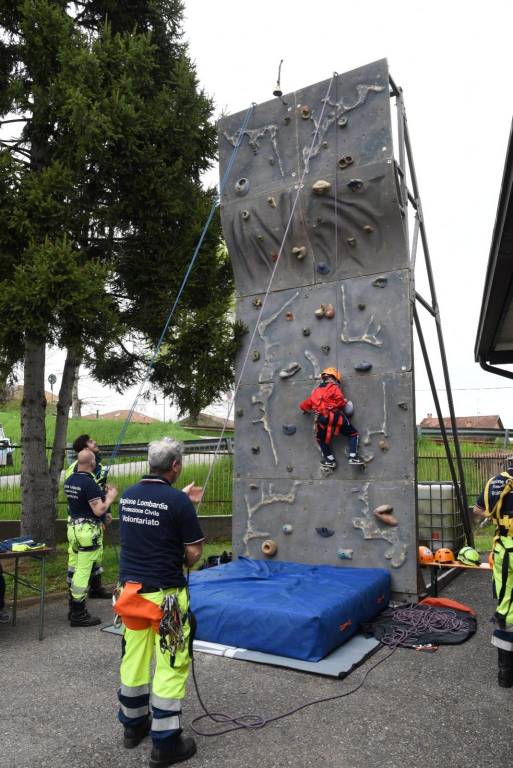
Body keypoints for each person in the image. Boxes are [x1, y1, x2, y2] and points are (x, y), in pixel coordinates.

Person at [114, 438, 204, 767]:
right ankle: (165, 743)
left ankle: (133, 727)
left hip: (130, 594)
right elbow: (193, 552)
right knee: (171, 663)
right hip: (165, 598)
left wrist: (182, 501)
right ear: (176, 465)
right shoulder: (178, 504)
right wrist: (186, 506)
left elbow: (151, 523)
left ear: (150, 463)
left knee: (134, 659)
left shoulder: (128, 496)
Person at [64, 448, 118, 627]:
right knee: (83, 570)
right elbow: (98, 509)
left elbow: (80, 505)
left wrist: (102, 515)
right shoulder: (89, 483)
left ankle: (72, 606)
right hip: (87, 531)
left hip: (73, 529)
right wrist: (109, 498)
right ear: (92, 463)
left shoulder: (70, 479)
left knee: (73, 567)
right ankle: (79, 613)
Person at [473, 456, 513, 687]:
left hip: (505, 552)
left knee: (505, 603)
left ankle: (505, 675)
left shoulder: (495, 482)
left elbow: (479, 510)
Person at [65, 434, 111, 599]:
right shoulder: (77, 470)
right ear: (85, 449)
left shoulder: (98, 466)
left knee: (96, 555)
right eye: (91, 441)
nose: (95, 442)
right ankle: (75, 596)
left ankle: (95, 588)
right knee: (78, 561)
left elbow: (100, 491)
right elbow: (84, 493)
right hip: (82, 521)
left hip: (93, 519)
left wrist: (106, 512)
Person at [298, 367, 361, 468]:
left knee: (321, 440)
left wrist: (305, 410)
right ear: (333, 379)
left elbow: (304, 405)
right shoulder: (334, 387)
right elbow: (340, 402)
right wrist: (343, 403)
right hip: (336, 417)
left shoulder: (315, 392)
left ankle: (330, 460)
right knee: (353, 434)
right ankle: (353, 457)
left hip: (322, 420)